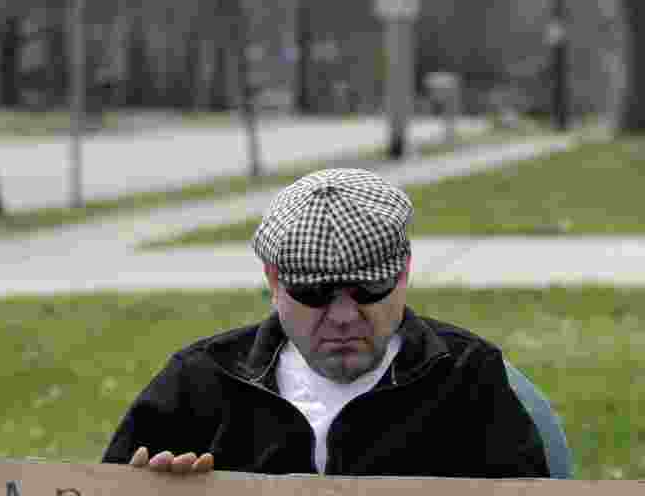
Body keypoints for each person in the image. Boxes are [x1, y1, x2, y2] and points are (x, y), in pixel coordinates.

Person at [102, 168, 571, 479]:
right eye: (314, 294)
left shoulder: (466, 379)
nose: (345, 316)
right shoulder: (199, 385)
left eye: (369, 290)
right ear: (274, 281)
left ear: (404, 273)